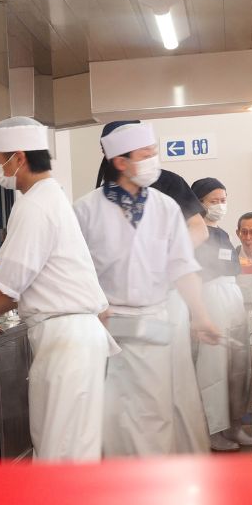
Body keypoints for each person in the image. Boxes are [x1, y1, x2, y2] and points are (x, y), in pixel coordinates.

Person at [0, 116, 114, 462]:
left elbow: (9, 287)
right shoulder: (50, 197)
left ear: (19, 158)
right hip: (75, 336)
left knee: (62, 454)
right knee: (74, 449)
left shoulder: (34, 206)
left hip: (67, 339)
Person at [74, 121, 221, 457]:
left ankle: (154, 494)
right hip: (106, 331)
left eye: (154, 152)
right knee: (110, 419)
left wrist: (201, 316)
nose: (155, 160)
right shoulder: (85, 210)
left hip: (154, 326)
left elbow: (182, 267)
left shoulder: (165, 207)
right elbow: (75, 271)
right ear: (121, 162)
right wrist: (93, 307)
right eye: (146, 154)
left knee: (153, 417)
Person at [191, 178, 252, 453]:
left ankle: (234, 425)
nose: (220, 206)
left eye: (223, 200)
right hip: (211, 298)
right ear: (199, 202)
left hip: (232, 299)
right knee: (213, 368)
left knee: (237, 368)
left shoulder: (224, 234)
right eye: (213, 201)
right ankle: (213, 430)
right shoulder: (196, 232)